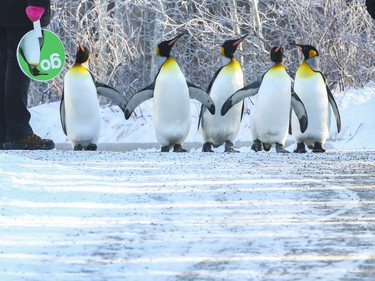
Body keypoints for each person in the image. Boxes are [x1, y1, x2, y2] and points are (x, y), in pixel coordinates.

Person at [0, 0, 54, 150]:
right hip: (21, 11)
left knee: (3, 64)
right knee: (19, 66)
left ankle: (4, 132)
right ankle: (18, 132)